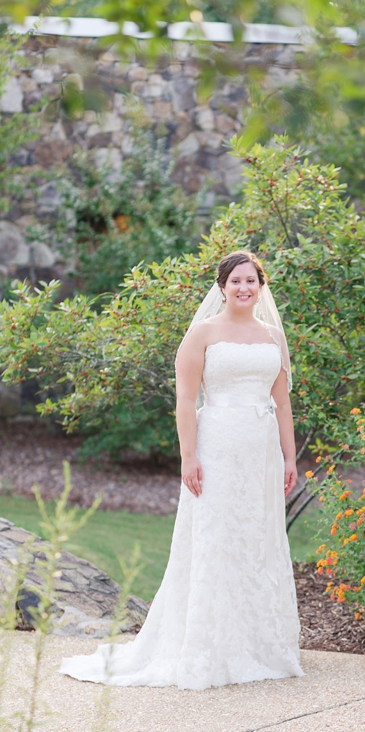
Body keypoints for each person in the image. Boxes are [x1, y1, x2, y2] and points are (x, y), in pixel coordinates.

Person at [59, 250, 304, 689]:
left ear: (261, 286)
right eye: (236, 282)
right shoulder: (203, 333)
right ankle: (206, 647)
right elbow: (186, 402)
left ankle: (256, 644)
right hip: (217, 445)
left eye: (251, 281)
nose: (244, 288)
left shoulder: (273, 337)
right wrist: (188, 457)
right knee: (215, 537)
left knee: (257, 539)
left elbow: (283, 402)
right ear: (223, 287)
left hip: (261, 452)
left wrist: (289, 457)